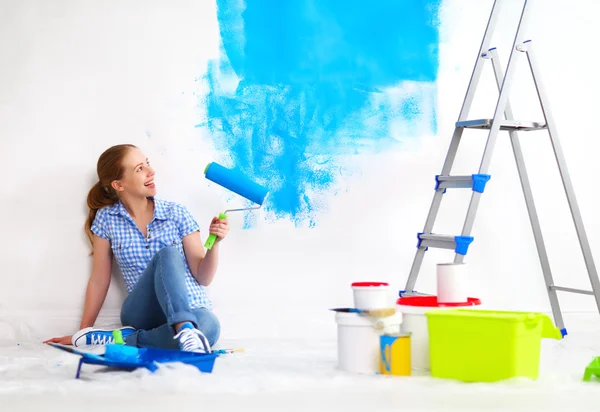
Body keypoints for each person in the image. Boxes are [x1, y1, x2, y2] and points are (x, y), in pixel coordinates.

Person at [44, 144, 228, 353]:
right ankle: (182, 330)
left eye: (147, 163)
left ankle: (136, 337)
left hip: (191, 306)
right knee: (168, 253)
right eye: (140, 168)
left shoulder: (176, 213)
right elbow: (99, 280)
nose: (151, 171)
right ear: (118, 185)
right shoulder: (107, 220)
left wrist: (215, 244)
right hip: (143, 313)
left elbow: (203, 278)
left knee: (208, 328)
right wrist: (83, 333)